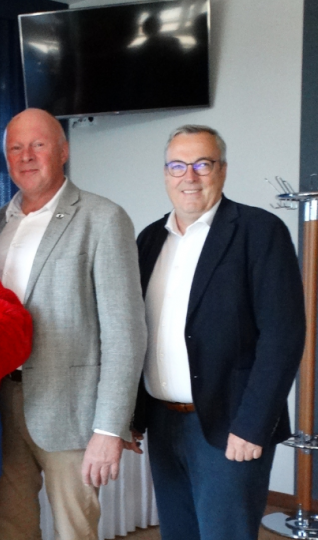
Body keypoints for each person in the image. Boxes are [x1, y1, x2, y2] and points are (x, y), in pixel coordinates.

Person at [128, 125, 305, 540]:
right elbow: (140, 331)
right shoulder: (150, 239)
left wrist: (252, 426)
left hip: (229, 426)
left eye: (202, 164)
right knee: (178, 533)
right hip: (163, 421)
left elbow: (283, 335)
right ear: (166, 173)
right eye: (177, 165)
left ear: (221, 170)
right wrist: (134, 413)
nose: (189, 176)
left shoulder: (259, 232)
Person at [0, 108, 147, 540]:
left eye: (37, 144)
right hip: (1, 403)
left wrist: (109, 429)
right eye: (15, 147)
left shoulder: (103, 217)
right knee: (8, 527)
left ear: (63, 151)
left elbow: (125, 333)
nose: (26, 156)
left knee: (76, 532)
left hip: (71, 414)